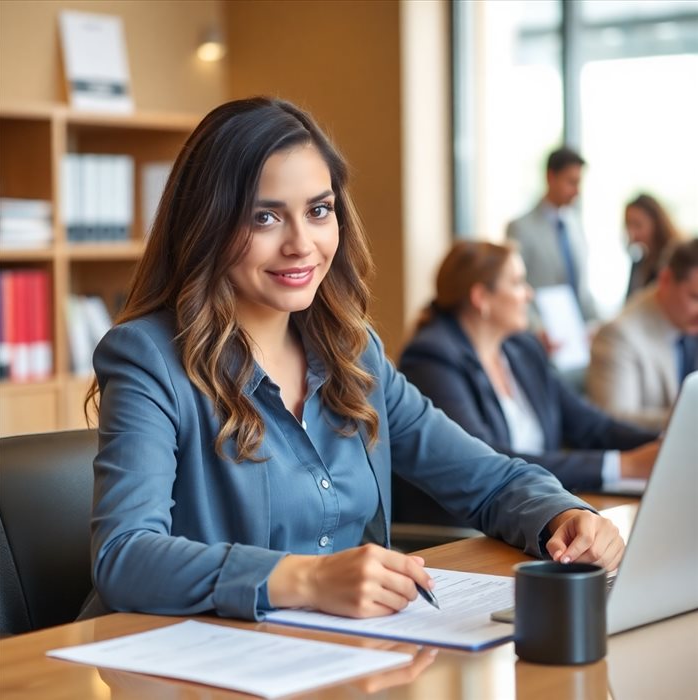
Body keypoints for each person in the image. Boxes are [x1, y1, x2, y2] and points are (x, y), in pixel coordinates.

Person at [81, 98, 623, 625]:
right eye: (265, 217)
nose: (302, 244)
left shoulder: (351, 351)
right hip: (194, 667)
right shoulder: (148, 357)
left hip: (345, 659)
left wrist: (564, 514)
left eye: (318, 211)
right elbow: (125, 555)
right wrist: (306, 579)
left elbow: (486, 479)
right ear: (208, 225)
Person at [395, 241, 659, 528]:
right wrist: (623, 466)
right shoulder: (432, 358)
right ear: (481, 297)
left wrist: (663, 443)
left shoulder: (522, 349)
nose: (529, 294)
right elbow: (486, 461)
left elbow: (590, 424)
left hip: (533, 516)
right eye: (518, 283)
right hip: (467, 532)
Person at [588, 238, 698, 431]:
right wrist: (688, 418)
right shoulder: (618, 335)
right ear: (665, 280)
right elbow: (613, 421)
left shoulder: (686, 319)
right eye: (695, 297)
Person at [506, 147, 598, 323]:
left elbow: (583, 288)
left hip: (578, 331)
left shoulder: (576, 225)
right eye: (571, 182)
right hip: (540, 333)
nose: (577, 191)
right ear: (550, 177)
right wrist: (538, 329)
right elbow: (514, 285)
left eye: (579, 183)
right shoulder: (520, 227)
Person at [624, 193, 684, 299]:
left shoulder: (675, 261)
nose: (632, 232)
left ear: (656, 223)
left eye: (638, 224)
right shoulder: (639, 263)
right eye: (628, 224)